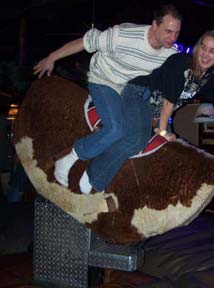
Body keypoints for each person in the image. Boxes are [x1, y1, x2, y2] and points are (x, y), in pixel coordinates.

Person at [77, 30, 214, 194]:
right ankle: (93, 175)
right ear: (198, 49)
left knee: (171, 155)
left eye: (213, 51)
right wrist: (162, 132)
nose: (206, 55)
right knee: (136, 139)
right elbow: (168, 104)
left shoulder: (208, 78)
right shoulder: (182, 63)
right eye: (203, 48)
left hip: (157, 111)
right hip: (139, 94)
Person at [33, 5, 182, 193]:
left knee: (137, 140)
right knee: (116, 129)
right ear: (154, 25)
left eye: (176, 33)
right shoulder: (124, 35)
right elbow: (85, 42)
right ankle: (68, 159)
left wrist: (160, 124)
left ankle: (94, 176)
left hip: (128, 89)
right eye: (168, 31)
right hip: (103, 80)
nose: (172, 38)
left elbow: (168, 88)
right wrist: (52, 57)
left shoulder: (170, 54)